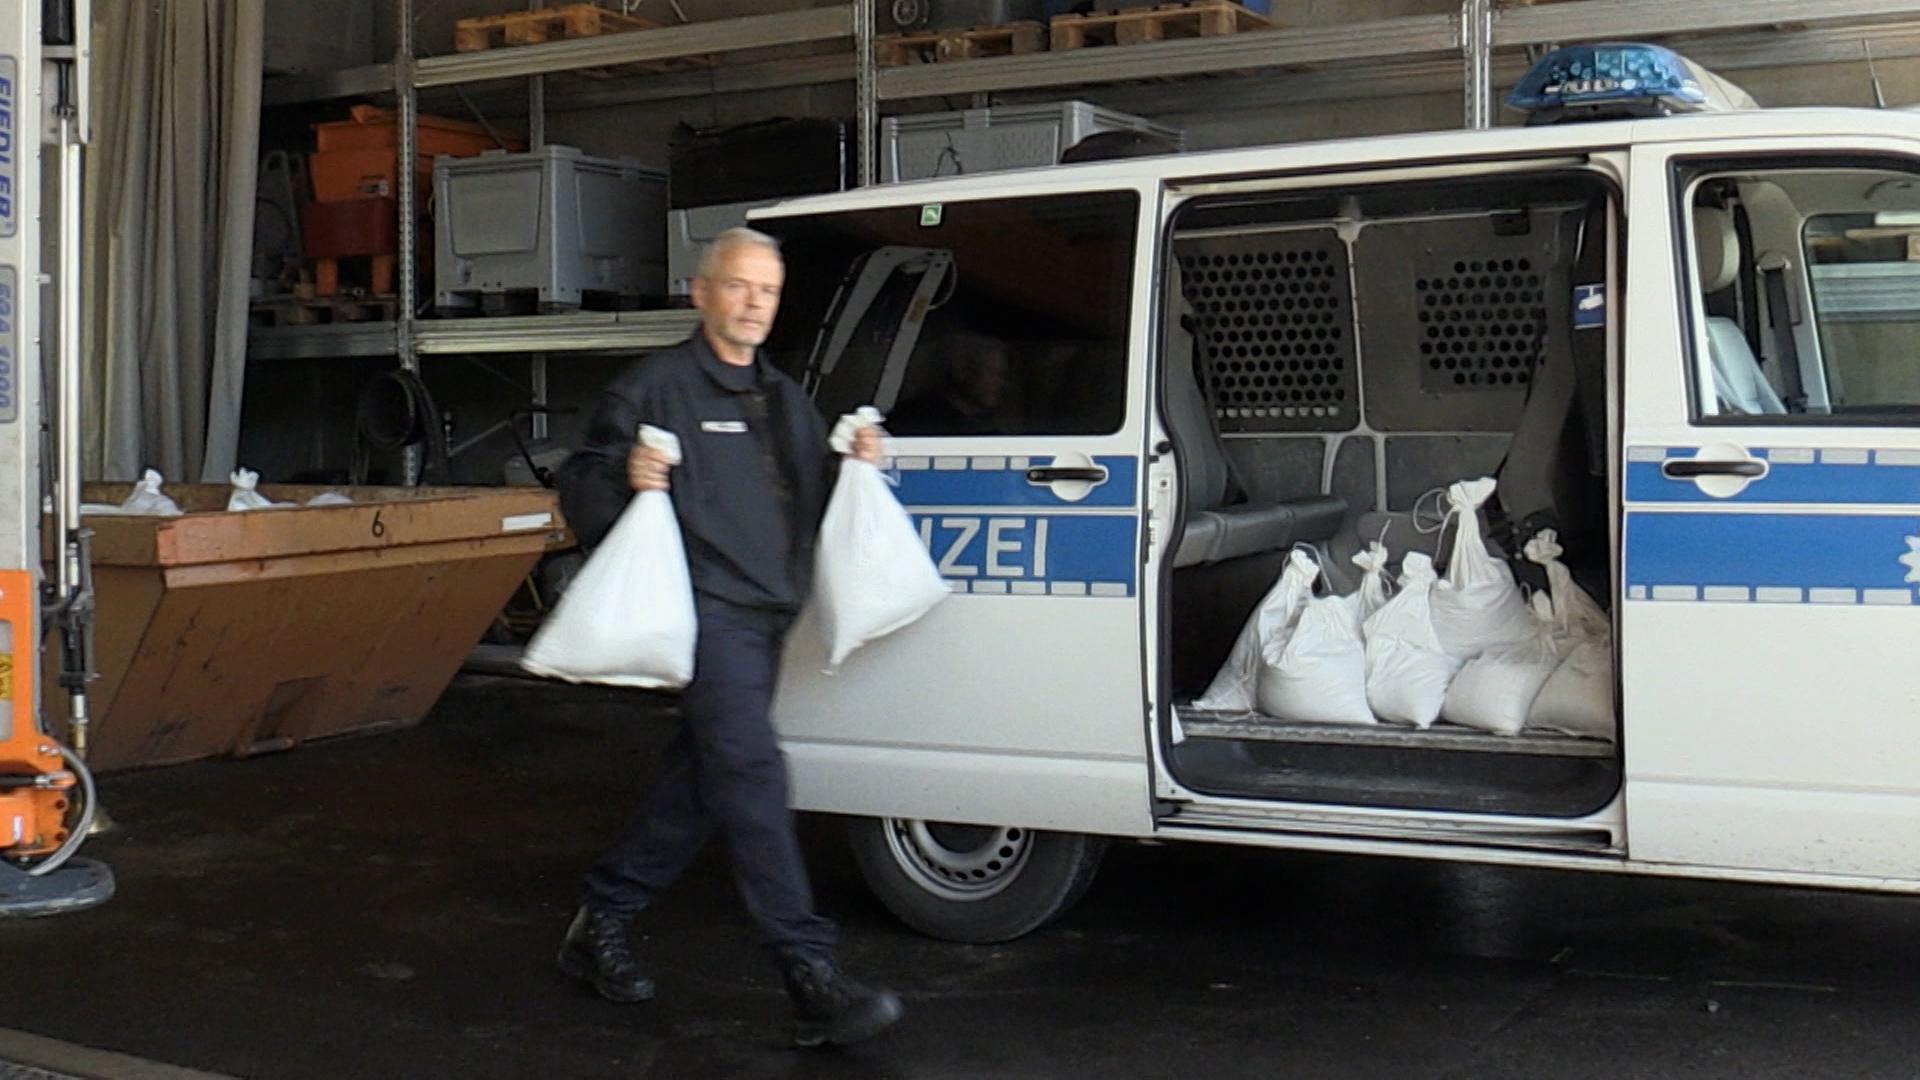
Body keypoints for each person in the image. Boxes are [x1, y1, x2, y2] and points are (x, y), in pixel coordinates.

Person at [552, 227, 905, 1049]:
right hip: (707, 613)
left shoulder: (781, 396)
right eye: (740, 286)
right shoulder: (657, 387)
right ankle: (809, 974)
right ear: (701, 292)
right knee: (751, 772)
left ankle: (601, 918)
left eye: (768, 291)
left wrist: (857, 461)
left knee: (705, 780)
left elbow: (811, 496)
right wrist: (623, 477)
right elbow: (580, 483)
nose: (755, 303)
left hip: (769, 613)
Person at [889, 332, 1013, 436]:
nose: (1001, 383)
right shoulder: (919, 419)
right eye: (992, 373)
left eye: (1002, 375)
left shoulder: (983, 425)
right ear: (963, 371)